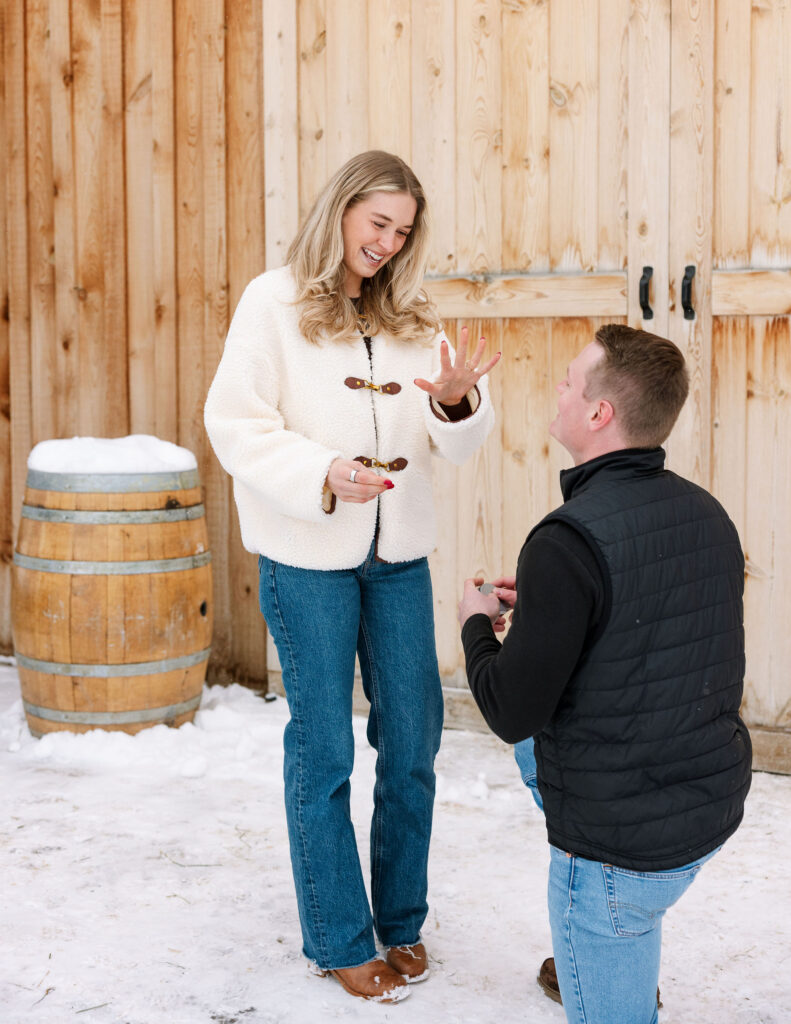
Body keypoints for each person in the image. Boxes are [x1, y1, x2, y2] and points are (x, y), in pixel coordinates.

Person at [204, 150, 499, 1003]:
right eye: (377, 224)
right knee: (324, 748)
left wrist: (452, 403)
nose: (387, 243)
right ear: (339, 212)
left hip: (398, 557)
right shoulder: (272, 303)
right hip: (307, 562)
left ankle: (400, 921)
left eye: (402, 231)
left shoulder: (412, 316)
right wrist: (323, 471)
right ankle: (338, 934)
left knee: (412, 743)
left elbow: (462, 437)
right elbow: (234, 423)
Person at [456, 324, 751, 1024]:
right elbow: (656, 630)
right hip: (707, 803)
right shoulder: (703, 511)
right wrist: (561, 616)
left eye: (567, 381)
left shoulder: (566, 540)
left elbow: (509, 713)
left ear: (597, 414)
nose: (555, 392)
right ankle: (610, 957)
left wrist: (474, 623)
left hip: (618, 853)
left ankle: (605, 954)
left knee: (614, 935)